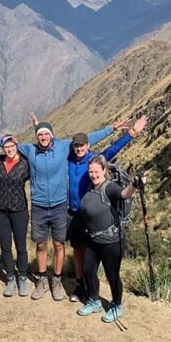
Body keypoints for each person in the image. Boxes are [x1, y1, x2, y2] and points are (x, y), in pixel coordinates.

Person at [0, 117, 121, 302]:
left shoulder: (63, 147)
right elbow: (9, 145)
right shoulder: (30, 149)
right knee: (41, 244)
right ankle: (42, 279)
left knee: (59, 244)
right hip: (39, 206)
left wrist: (111, 129)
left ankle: (56, 280)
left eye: (46, 134)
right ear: (37, 136)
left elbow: (88, 139)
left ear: (51, 136)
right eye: (40, 134)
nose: (43, 137)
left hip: (59, 205)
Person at [66, 115, 148, 303]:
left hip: (91, 214)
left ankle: (93, 289)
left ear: (87, 146)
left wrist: (131, 133)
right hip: (74, 213)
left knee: (90, 252)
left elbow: (112, 150)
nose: (79, 149)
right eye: (76, 146)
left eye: (82, 145)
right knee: (78, 251)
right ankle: (81, 285)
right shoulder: (69, 160)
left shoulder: (93, 161)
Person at [78, 155, 146, 323]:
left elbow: (123, 194)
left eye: (96, 171)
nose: (93, 175)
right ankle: (94, 301)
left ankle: (117, 305)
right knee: (88, 270)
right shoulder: (90, 187)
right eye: (90, 171)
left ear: (104, 171)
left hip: (112, 242)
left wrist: (135, 185)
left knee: (112, 275)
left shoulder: (109, 187)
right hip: (93, 240)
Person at [0, 134, 30, 297]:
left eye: (12, 146)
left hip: (19, 209)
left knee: (20, 246)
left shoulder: (26, 163)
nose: (9, 149)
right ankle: (11, 278)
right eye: (6, 147)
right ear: (3, 148)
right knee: (5, 246)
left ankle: (23, 277)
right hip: (0, 209)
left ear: (16, 146)